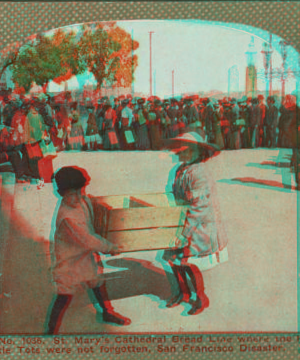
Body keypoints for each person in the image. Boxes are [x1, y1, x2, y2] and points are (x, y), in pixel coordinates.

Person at [46, 166, 131, 334]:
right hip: (68, 259)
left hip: (83, 255)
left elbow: (90, 218)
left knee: (96, 282)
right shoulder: (67, 216)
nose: (77, 197)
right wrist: (110, 247)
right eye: (71, 194)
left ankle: (107, 312)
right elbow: (87, 239)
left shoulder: (82, 202)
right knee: (64, 294)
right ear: (62, 193)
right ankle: (50, 331)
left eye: (79, 191)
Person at [162, 132, 228, 315]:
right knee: (175, 261)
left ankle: (200, 297)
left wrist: (184, 233)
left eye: (181, 149)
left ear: (193, 151)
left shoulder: (199, 172)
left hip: (197, 226)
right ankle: (183, 294)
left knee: (189, 262)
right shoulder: (180, 169)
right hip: (181, 221)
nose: (176, 153)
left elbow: (199, 206)